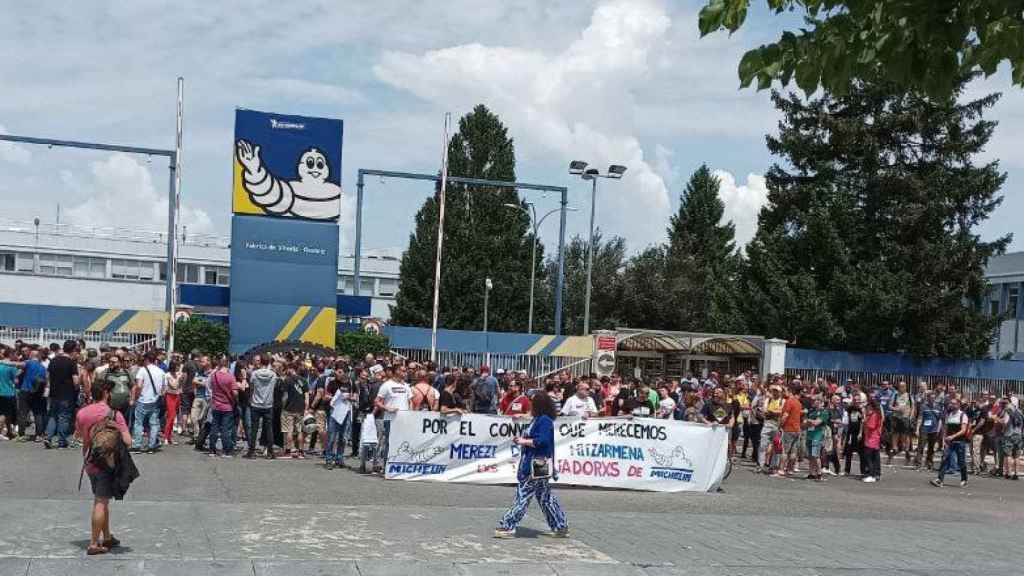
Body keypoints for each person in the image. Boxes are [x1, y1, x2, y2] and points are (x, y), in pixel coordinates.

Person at [494, 391, 568, 539]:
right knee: (545, 496)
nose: (530, 404)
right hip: (538, 463)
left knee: (523, 494)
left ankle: (508, 525)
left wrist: (523, 441)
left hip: (536, 463)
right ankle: (560, 525)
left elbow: (543, 441)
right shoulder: (538, 419)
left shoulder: (544, 421)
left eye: (533, 402)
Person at [75, 379, 134, 556]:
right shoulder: (115, 414)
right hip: (108, 464)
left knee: (103, 499)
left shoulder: (82, 413)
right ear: (107, 394)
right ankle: (94, 543)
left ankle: (107, 536)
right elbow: (128, 442)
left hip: (90, 462)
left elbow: (80, 436)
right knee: (100, 502)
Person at [45, 340, 79, 449]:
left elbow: (47, 376)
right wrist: (77, 389)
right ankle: (62, 441)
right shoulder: (71, 363)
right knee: (64, 417)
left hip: (54, 393)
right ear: (73, 350)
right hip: (67, 394)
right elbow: (76, 381)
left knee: (53, 416)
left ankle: (48, 437)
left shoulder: (53, 360)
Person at [375, 366, 411, 470]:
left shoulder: (406, 386)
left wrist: (411, 413)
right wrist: (387, 408)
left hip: (404, 420)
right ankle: (386, 466)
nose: (405, 373)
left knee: (402, 443)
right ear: (397, 372)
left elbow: (410, 401)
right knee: (389, 442)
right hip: (390, 420)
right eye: (403, 371)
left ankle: (399, 465)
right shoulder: (386, 385)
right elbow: (377, 401)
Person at [931, 397, 970, 488]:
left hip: (960, 442)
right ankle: (940, 479)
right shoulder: (949, 415)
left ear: (959, 405)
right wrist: (944, 439)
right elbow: (946, 428)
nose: (952, 405)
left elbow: (963, 430)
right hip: (950, 442)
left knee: (961, 462)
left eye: (954, 403)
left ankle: (964, 480)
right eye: (951, 403)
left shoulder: (963, 415)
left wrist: (953, 436)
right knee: (945, 460)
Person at [131, 351, 165, 454]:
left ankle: (137, 445)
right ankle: (151, 446)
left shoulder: (142, 370)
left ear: (146, 359)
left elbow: (139, 386)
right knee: (154, 424)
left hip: (142, 400)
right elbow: (163, 389)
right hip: (155, 401)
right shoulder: (161, 372)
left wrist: (135, 398)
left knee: (138, 423)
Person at [246, 355, 277, 459]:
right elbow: (274, 387)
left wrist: (251, 398)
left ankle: (252, 451)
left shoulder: (254, 373)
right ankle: (270, 452)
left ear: (261, 362)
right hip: (268, 404)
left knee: (254, 429)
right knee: (269, 429)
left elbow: (251, 387)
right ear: (268, 362)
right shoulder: (273, 374)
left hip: (256, 403)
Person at [208, 356, 238, 458]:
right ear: (228, 364)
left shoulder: (214, 375)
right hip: (227, 406)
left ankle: (212, 449)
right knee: (225, 429)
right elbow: (235, 392)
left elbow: (211, 388)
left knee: (214, 427)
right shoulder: (230, 377)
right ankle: (227, 451)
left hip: (216, 405)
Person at [325, 374, 356, 469]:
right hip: (335, 411)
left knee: (343, 438)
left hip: (346, 412)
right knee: (332, 437)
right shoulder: (332, 383)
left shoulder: (351, 383)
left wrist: (349, 397)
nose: (340, 374)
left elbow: (355, 397)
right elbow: (326, 397)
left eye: (342, 372)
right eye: (338, 371)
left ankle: (339, 459)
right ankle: (329, 459)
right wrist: (337, 397)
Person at [775, 386, 803, 477]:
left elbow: (785, 415)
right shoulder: (798, 403)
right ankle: (790, 469)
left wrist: (779, 426)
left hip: (789, 428)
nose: (784, 393)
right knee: (793, 451)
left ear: (791, 391)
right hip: (797, 429)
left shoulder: (789, 401)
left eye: (786, 391)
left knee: (785, 451)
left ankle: (781, 469)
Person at [0, 350, 22, 439]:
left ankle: (9, 431)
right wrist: (21, 371)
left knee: (7, 414)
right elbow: (16, 380)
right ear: (10, 355)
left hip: (2, 391)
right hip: (8, 392)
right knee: (4, 414)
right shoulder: (11, 367)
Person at [999, 396, 1022, 480]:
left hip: (1009, 435)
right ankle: (1016, 474)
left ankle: (1008, 473)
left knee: (1007, 454)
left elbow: (1005, 422)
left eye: (1006, 403)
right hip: (1018, 435)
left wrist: (1001, 424)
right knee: (1016, 455)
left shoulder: (1008, 411)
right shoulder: (1020, 412)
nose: (1005, 404)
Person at [862, 398, 884, 483]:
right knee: (874, 457)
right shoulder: (876, 414)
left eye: (868, 408)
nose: (867, 410)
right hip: (873, 438)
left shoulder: (874, 415)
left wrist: (865, 421)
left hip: (872, 439)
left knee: (869, 457)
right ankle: (875, 474)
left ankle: (872, 475)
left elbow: (871, 426)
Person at [161, 362, 181, 445]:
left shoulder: (177, 374)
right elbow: (173, 385)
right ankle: (166, 437)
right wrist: (178, 378)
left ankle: (169, 437)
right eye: (177, 366)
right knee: (170, 416)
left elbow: (179, 387)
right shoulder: (167, 375)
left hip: (177, 396)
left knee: (173, 417)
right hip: (169, 396)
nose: (178, 368)